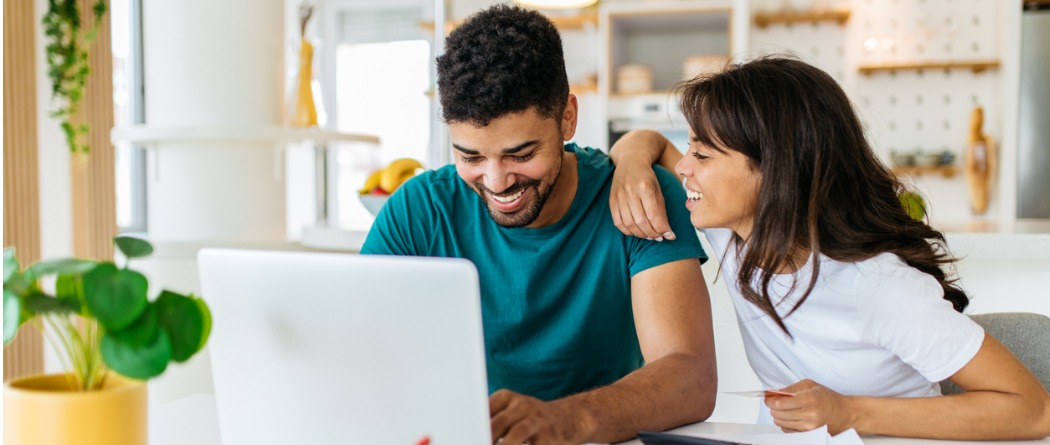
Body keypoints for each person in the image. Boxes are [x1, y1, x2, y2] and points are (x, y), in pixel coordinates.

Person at [609, 56, 1050, 439]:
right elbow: (649, 142)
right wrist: (630, 162)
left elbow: (1032, 410)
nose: (683, 167)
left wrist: (849, 411)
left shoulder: (878, 285)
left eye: (703, 156)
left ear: (776, 172)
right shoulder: (735, 233)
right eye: (690, 148)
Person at [361, 5, 717, 444]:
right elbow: (360, 353)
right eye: (470, 157)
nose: (496, 182)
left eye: (521, 154)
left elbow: (691, 377)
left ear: (567, 116)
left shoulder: (640, 198)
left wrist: (564, 421)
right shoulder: (418, 211)